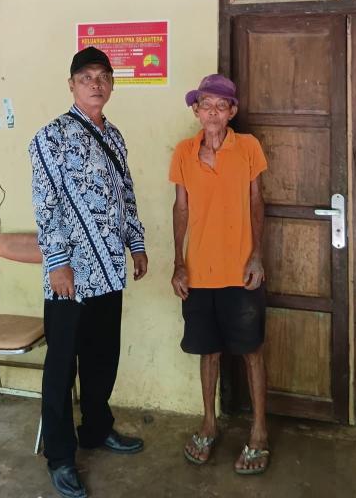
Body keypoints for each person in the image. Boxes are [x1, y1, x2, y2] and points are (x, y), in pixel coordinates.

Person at [30, 46, 148, 498]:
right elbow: (46, 205)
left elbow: (127, 196)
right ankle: (61, 457)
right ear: (72, 85)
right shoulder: (51, 137)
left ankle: (97, 429)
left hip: (109, 271)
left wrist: (136, 245)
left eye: (102, 77)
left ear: (112, 84)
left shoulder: (114, 136)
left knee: (101, 358)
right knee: (62, 366)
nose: (95, 84)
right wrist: (57, 262)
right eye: (86, 77)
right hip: (71, 276)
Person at [169, 74, 269, 475]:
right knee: (207, 350)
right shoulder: (183, 152)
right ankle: (209, 423)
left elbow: (257, 201)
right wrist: (178, 263)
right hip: (199, 271)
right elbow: (180, 208)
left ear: (232, 112)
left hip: (241, 270)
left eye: (220, 106)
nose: (212, 113)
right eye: (206, 105)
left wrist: (256, 256)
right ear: (196, 110)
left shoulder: (248, 147)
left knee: (251, 351)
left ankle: (259, 431)